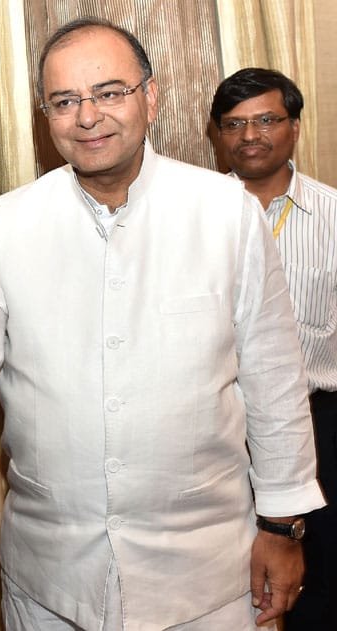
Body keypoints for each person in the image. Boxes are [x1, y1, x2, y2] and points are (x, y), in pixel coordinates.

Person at [0, 17, 325, 631]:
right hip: (51, 579)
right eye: (65, 100)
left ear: (150, 97)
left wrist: (283, 527)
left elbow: (274, 380)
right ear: (44, 116)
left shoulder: (223, 212)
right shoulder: (11, 224)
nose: (88, 116)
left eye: (110, 92)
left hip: (206, 576)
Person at [210, 67, 337, 631]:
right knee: (226, 587)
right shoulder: (195, 220)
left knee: (319, 588)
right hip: (219, 428)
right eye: (234, 124)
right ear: (217, 135)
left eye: (266, 119)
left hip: (320, 426)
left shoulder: (335, 218)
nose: (250, 135)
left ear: (295, 127)